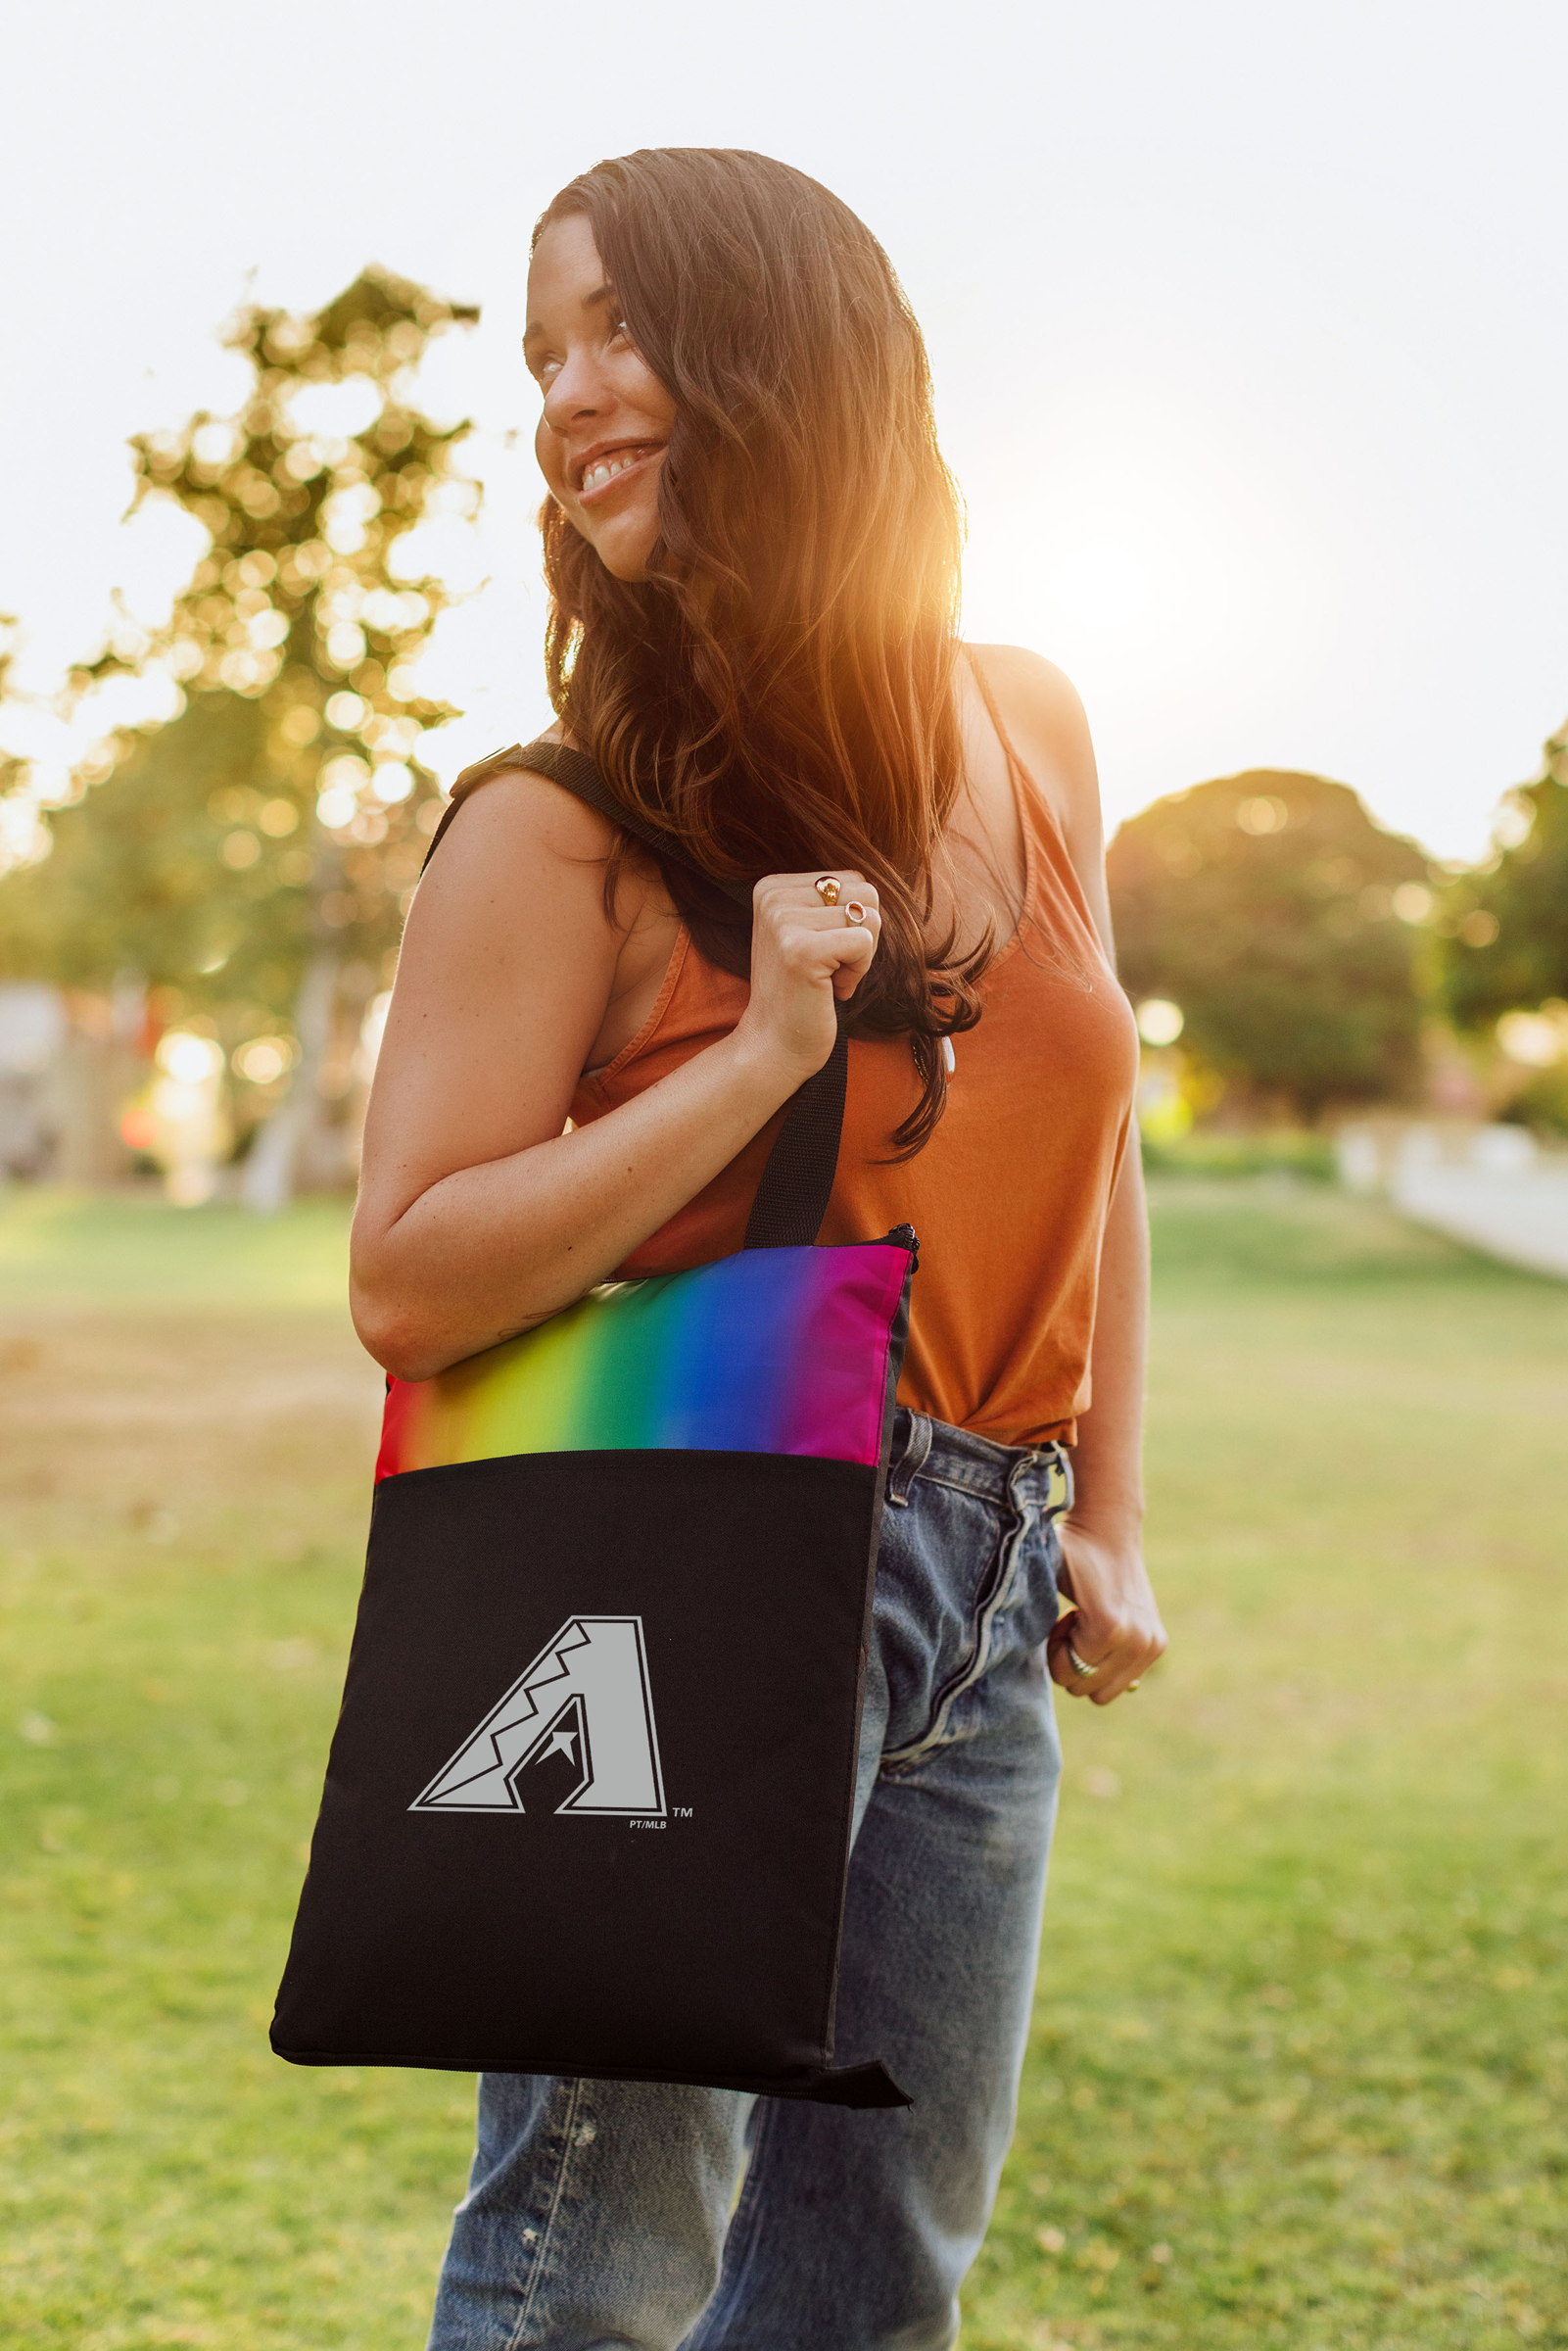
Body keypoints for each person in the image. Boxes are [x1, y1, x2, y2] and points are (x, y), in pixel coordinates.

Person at [351, 146, 1166, 2351]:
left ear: (784, 358)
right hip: (690, 1546)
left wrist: (1102, 1513)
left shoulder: (1032, 724)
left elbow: (1093, 1150)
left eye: (616, 330)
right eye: (543, 353)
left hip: (981, 1587)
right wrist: (754, 1057)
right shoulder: (560, 823)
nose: (566, 394)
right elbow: (407, 1278)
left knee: (870, 2274)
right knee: (594, 2257)